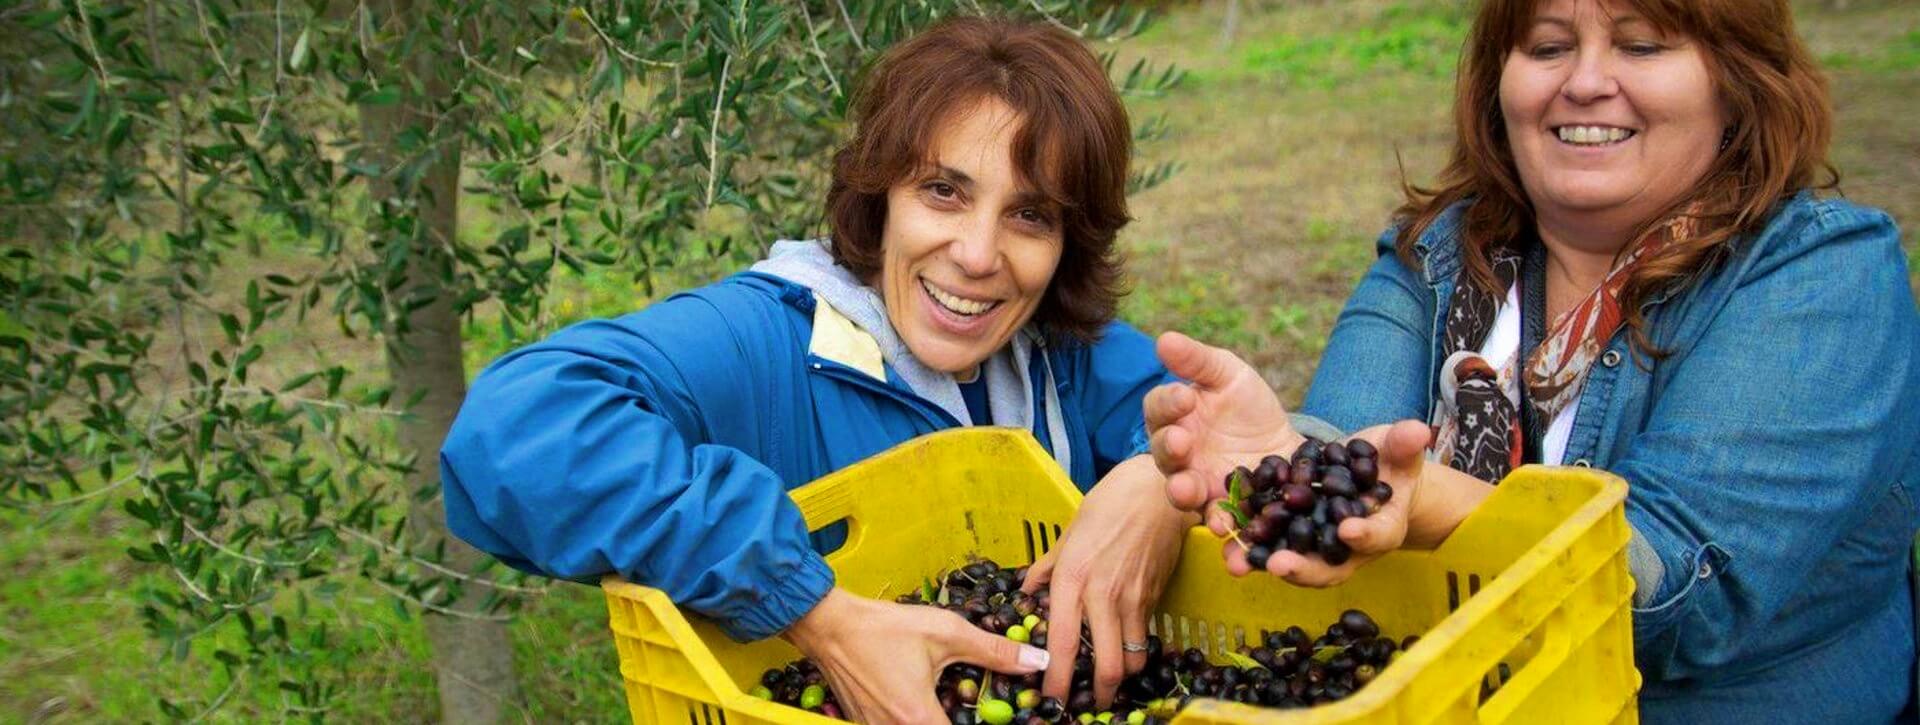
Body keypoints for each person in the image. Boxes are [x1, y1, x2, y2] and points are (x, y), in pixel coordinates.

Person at [1143, 0, 1920, 721]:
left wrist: (1440, 508)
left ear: (1737, 81)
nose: (1585, 83)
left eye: (1641, 45)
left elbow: (1679, 597)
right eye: (1548, 47)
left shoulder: (1823, 273)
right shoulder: (1440, 255)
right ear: (1499, 84)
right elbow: (1348, 449)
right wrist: (1273, 458)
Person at [439, 16, 1195, 722]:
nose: (976, 254)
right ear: (882, 196)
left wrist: (1157, 478)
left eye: (1029, 215)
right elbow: (514, 428)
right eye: (943, 191)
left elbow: (1209, 420)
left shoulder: (1054, 351)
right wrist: (816, 613)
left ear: (1069, 243)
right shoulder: (764, 341)